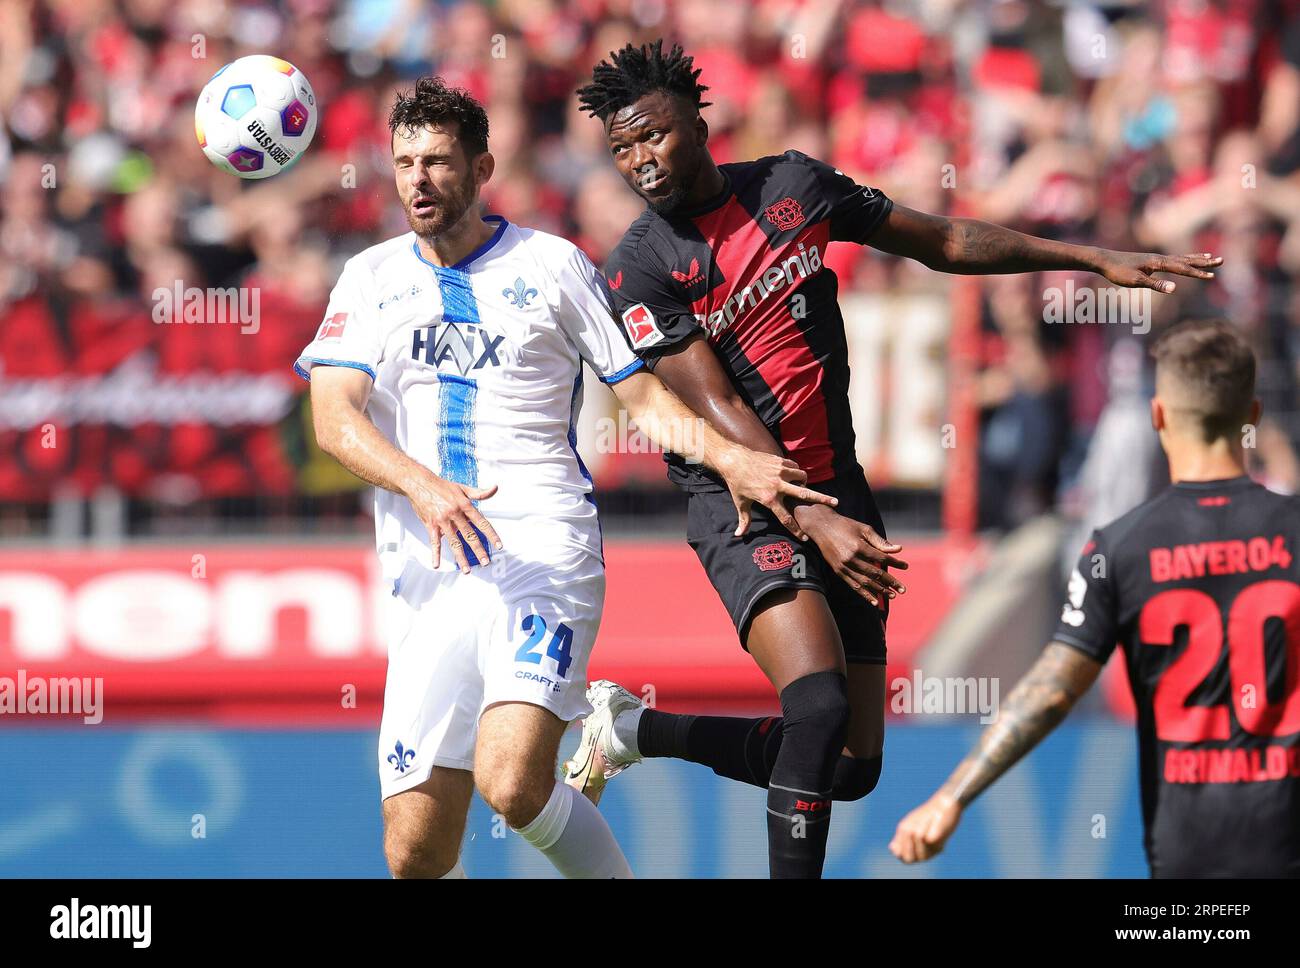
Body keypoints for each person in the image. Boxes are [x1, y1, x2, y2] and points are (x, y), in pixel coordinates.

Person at [566, 40, 1222, 879]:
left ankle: (633, 730)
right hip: (743, 495)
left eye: (653, 136)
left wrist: (1091, 258)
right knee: (817, 704)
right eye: (622, 150)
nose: (640, 162)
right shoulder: (640, 267)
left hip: (836, 485)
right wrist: (814, 520)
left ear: (699, 120)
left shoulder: (793, 186)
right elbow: (719, 410)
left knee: (851, 765)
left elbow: (942, 238)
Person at [296, 76, 833, 879]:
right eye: (405, 162)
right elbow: (334, 418)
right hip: (426, 577)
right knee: (415, 853)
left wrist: (733, 460)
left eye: (439, 162)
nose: (418, 180)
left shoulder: (552, 266)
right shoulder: (369, 279)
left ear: (482, 170)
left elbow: (643, 394)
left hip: (543, 556)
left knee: (511, 781)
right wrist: (421, 484)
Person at [892, 319, 1300, 878]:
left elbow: (1053, 690)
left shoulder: (1121, 547)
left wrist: (953, 796)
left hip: (1189, 854)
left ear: (1158, 415)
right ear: (1252, 416)